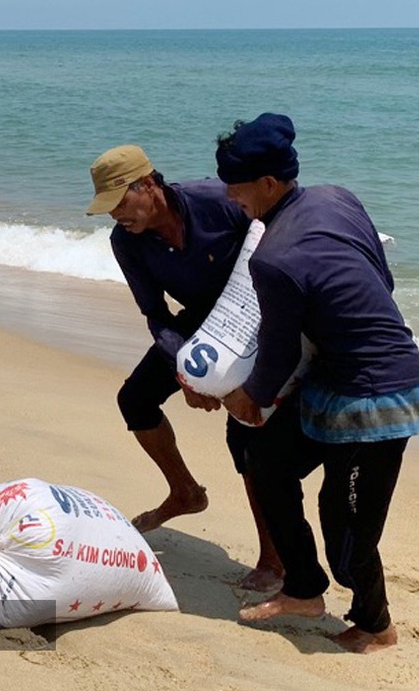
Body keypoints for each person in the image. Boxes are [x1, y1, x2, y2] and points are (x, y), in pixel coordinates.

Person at [215, 113, 419, 653]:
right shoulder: (338, 197)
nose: (231, 198)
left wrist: (247, 396)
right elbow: (380, 275)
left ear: (269, 184)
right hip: (332, 383)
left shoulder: (275, 258)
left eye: (237, 187)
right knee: (266, 461)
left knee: (347, 531)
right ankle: (304, 589)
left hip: (381, 396)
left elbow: (280, 350)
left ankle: (376, 624)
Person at [86, 144, 283, 591]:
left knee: (245, 430)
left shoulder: (217, 201)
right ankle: (185, 493)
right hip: (200, 320)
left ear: (149, 184)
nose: (116, 214)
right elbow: (156, 314)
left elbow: (277, 233)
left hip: (256, 311)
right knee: (135, 399)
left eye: (120, 201)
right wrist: (187, 372)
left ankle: (272, 559)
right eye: (108, 207)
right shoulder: (126, 242)